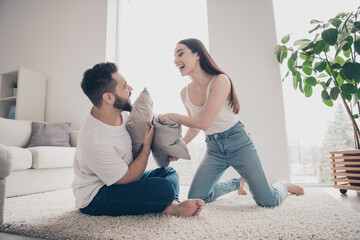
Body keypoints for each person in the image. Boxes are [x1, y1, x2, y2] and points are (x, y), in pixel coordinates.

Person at [159, 38, 304, 207]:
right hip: (214, 149)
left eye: (180, 54)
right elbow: (195, 126)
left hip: (239, 143)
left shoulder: (220, 80)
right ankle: (238, 182)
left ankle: (283, 185)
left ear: (197, 54)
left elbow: (204, 122)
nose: (176, 60)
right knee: (196, 198)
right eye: (174, 57)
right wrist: (180, 146)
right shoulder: (184, 93)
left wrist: (173, 116)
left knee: (268, 201)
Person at [72, 62, 204, 217]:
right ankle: (171, 207)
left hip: (122, 178)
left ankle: (171, 203)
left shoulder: (121, 113)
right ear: (108, 97)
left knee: (169, 173)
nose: (131, 89)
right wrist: (146, 148)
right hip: (98, 196)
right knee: (164, 189)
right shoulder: (95, 142)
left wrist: (165, 143)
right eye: (125, 86)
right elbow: (128, 177)